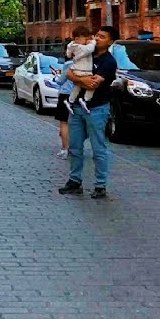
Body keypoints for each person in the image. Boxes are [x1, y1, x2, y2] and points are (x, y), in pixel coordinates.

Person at [59, 25, 118, 199]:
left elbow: (93, 83)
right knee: (75, 147)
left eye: (102, 36)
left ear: (110, 41)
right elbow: (68, 72)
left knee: (98, 147)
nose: (97, 38)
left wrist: (76, 78)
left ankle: (100, 185)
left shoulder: (109, 62)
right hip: (77, 107)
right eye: (97, 35)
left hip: (97, 108)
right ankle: (74, 181)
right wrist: (78, 78)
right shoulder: (86, 52)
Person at [63, 25, 97, 113]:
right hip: (84, 70)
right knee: (91, 86)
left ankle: (70, 100)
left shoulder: (72, 46)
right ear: (77, 39)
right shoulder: (80, 47)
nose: (86, 41)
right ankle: (86, 100)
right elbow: (89, 49)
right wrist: (92, 42)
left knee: (77, 87)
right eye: (85, 39)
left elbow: (68, 54)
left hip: (77, 69)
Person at [53, 57, 74, 158]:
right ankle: (76, 148)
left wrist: (56, 76)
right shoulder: (85, 62)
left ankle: (65, 149)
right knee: (75, 123)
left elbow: (61, 80)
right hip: (78, 95)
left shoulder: (68, 64)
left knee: (64, 122)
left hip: (65, 94)